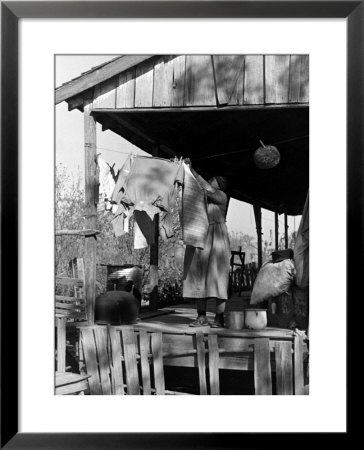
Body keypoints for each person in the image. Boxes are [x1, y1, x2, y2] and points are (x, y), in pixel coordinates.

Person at [183, 159, 231, 328]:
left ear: (219, 185)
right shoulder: (202, 197)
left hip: (216, 239)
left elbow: (205, 188)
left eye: (213, 180)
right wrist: (186, 172)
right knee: (197, 276)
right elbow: (194, 190)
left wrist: (193, 171)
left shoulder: (221, 197)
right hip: (200, 235)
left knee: (217, 277)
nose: (210, 181)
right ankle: (201, 316)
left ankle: (219, 318)